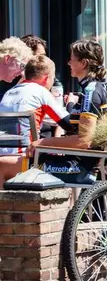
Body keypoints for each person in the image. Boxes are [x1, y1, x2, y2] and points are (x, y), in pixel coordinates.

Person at [0, 55, 76, 184]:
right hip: (25, 161)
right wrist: (71, 103)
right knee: (74, 167)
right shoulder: (40, 91)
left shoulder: (9, 93)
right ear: (46, 78)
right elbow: (69, 124)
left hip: (2, 160)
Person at [65, 38, 107, 118]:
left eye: (71, 59)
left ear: (84, 63)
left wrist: (70, 103)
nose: (69, 63)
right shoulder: (95, 86)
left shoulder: (90, 90)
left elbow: (81, 125)